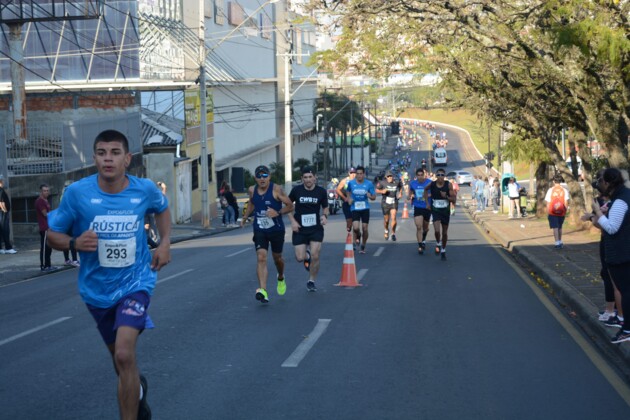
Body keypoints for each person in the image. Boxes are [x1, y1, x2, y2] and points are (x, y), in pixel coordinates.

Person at [47, 129, 172, 419]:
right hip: (96, 291)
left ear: (127, 159)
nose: (108, 159)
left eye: (115, 153)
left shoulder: (144, 190)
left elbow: (162, 209)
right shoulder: (78, 193)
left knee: (124, 354)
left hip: (136, 283)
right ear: (94, 158)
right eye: (102, 153)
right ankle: (137, 390)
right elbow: (53, 235)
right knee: (121, 365)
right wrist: (74, 243)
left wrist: (165, 244)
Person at [241, 165, 294, 303]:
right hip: (260, 229)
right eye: (259, 176)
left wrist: (277, 212)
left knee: (277, 259)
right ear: (255, 178)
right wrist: (245, 217)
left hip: (276, 229)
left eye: (265, 176)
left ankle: (281, 276)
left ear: (269, 177)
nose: (262, 179)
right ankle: (263, 290)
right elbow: (252, 203)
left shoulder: (276, 190)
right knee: (261, 257)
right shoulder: (252, 190)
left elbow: (290, 205)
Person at [592, 168, 630, 343]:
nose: (599, 185)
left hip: (622, 253)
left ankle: (627, 329)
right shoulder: (623, 196)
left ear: (607, 183)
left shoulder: (621, 200)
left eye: (600, 182)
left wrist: (598, 213)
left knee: (625, 291)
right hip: (623, 251)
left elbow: (612, 227)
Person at [288, 167, 329, 292]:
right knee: (299, 258)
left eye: (310, 177)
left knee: (316, 255)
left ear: (315, 178)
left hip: (315, 228)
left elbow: (325, 207)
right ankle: (306, 257)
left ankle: (311, 281)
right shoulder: (296, 190)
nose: (308, 180)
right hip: (299, 228)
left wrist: (324, 215)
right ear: (302, 179)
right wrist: (293, 222)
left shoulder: (321, 191)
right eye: (305, 177)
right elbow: (288, 207)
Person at [425, 168, 456, 260]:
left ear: (445, 176)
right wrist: (427, 203)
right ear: (436, 176)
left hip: (445, 212)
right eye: (438, 175)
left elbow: (453, 199)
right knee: (437, 230)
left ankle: (443, 249)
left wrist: (446, 196)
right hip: (435, 210)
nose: (440, 177)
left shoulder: (448, 185)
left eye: (442, 175)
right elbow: (425, 190)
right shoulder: (432, 184)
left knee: (445, 233)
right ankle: (438, 242)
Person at [345, 165, 376, 254]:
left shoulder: (368, 184)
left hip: (365, 208)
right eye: (357, 174)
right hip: (355, 207)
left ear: (364, 174)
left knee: (365, 228)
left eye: (360, 174)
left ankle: (363, 244)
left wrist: (370, 196)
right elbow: (348, 191)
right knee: (355, 228)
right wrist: (349, 198)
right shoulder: (351, 183)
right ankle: (358, 235)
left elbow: (374, 196)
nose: (359, 176)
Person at [408, 167, 432, 254]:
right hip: (417, 207)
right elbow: (410, 191)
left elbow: (434, 192)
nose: (420, 177)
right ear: (416, 176)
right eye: (418, 175)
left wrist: (427, 195)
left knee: (425, 228)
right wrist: (409, 196)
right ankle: (420, 246)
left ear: (424, 175)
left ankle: (423, 239)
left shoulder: (429, 182)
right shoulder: (413, 183)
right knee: (419, 227)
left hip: (427, 207)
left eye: (422, 175)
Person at [35, 184, 58, 271]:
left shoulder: (45, 200)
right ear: (41, 192)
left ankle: (48, 265)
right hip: (44, 228)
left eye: (47, 190)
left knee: (49, 247)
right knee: (44, 248)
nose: (46, 192)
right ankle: (44, 266)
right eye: (44, 191)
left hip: (49, 227)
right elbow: (45, 214)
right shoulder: (40, 201)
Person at [375, 171, 403, 241]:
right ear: (386, 177)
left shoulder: (396, 182)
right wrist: (382, 191)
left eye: (391, 176)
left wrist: (400, 193)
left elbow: (400, 186)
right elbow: (376, 190)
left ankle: (393, 233)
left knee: (393, 217)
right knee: (386, 220)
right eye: (388, 176)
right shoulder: (382, 183)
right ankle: (386, 230)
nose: (390, 177)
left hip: (394, 201)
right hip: (385, 202)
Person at [544, 174, 570, 248]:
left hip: (552, 211)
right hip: (561, 211)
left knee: (555, 227)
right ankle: (560, 240)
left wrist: (548, 211)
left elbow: (548, 202)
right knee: (560, 227)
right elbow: (566, 202)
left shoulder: (550, 190)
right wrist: (565, 210)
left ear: (553, 181)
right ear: (561, 181)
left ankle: (557, 242)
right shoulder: (564, 190)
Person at [336, 167, 357, 234]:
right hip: (347, 203)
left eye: (354, 173)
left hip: (356, 203)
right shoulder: (345, 181)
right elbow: (338, 189)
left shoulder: (359, 181)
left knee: (356, 223)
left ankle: (357, 235)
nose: (353, 175)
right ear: (348, 173)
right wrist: (344, 198)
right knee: (349, 221)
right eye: (351, 173)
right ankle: (349, 228)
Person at [0, 176, 17, 254]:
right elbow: (1, 202)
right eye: (2, 180)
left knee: (2, 230)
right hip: (2, 213)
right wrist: (5, 212)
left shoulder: (2, 190)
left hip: (2, 213)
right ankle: (8, 247)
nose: (4, 182)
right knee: (5, 230)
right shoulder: (1, 191)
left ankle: (1, 248)